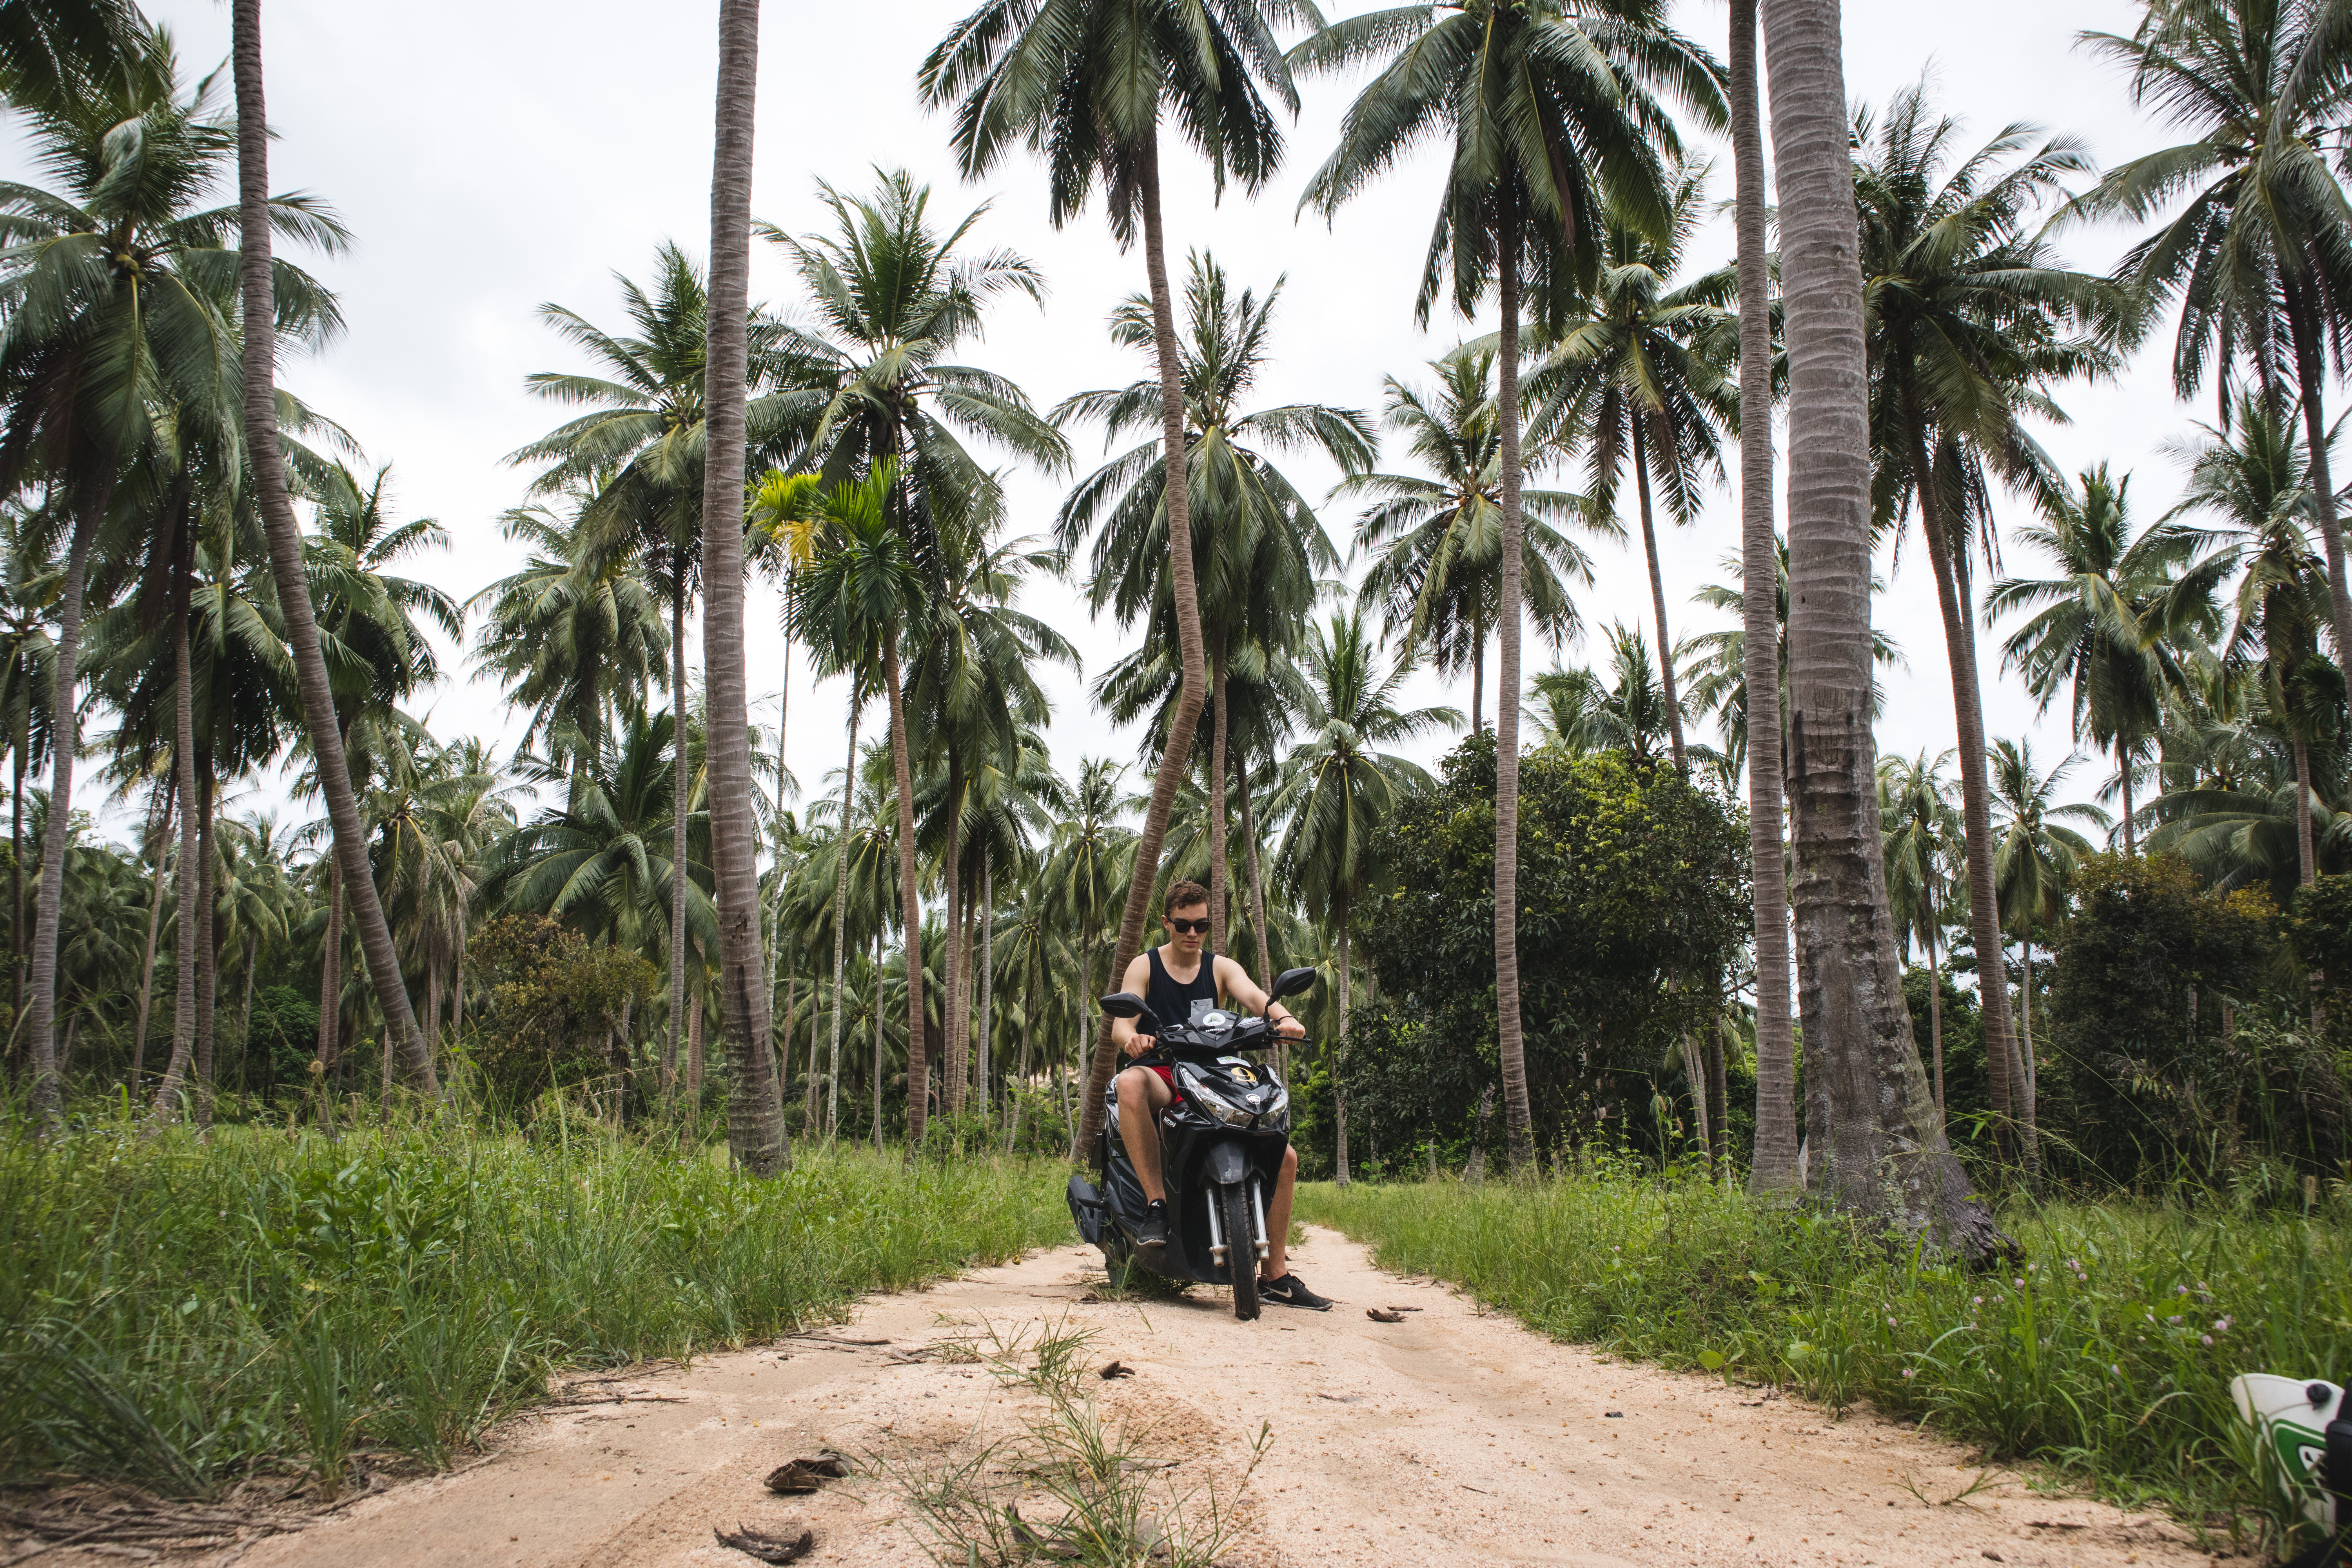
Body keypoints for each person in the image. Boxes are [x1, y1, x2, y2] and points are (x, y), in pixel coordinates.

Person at [1109, 880, 1334, 1311]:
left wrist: (1285, 1019)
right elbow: (1124, 1020)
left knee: (1285, 1157)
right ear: (1167, 923)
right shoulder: (1145, 965)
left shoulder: (1220, 968)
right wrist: (1131, 1040)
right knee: (1130, 1082)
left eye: (1201, 925)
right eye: (1183, 924)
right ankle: (1156, 1203)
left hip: (1217, 1074)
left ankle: (1276, 1276)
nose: (1192, 933)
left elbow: (1255, 996)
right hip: (1165, 1071)